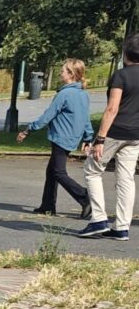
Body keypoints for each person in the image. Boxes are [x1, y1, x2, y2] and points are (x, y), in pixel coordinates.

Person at [78, 34, 139, 240]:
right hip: (135, 135)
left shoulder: (120, 75)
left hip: (115, 131)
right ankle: (122, 227)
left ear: (125, 53)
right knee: (126, 179)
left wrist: (100, 139)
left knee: (92, 170)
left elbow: (112, 108)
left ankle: (99, 220)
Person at [16, 59, 93, 218]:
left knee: (58, 172)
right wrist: (88, 137)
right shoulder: (83, 94)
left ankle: (84, 197)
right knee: (52, 171)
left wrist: (28, 130)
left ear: (71, 74)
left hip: (61, 137)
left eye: (63, 70)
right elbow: (86, 118)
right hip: (72, 136)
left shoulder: (64, 93)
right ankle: (48, 205)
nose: (60, 73)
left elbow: (48, 116)